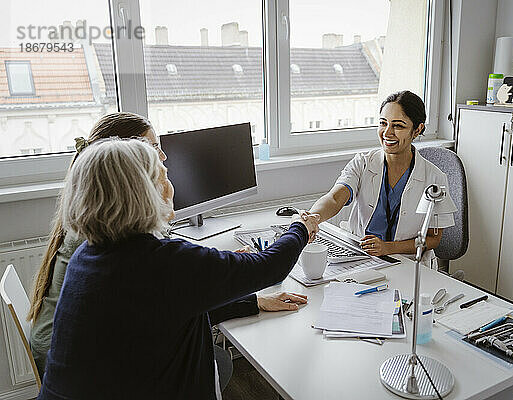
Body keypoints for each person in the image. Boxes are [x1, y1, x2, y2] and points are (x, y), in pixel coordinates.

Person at [27, 112, 308, 383]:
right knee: (216, 360)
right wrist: (300, 227)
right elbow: (270, 267)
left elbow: (163, 307)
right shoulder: (161, 261)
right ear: (141, 191)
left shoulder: (93, 254)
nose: (171, 183)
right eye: (162, 176)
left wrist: (250, 301)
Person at [308, 91, 456, 262]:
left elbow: (433, 239)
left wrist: (388, 247)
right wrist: (313, 218)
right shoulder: (362, 163)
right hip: (361, 255)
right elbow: (335, 198)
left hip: (406, 261)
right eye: (383, 123)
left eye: (398, 126)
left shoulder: (435, 178)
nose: (387, 132)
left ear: (417, 130)